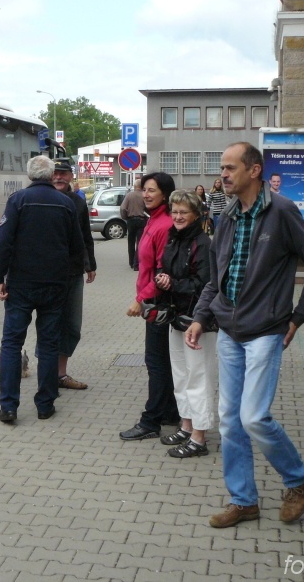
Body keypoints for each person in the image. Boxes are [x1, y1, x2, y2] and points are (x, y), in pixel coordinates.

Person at [185, 142, 304, 528]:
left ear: (254, 170)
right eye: (222, 167)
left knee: (252, 417)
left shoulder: (282, 211)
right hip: (229, 331)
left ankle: (297, 479)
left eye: (230, 167)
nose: (223, 174)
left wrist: (299, 318)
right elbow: (216, 277)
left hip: (266, 330)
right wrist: (200, 317)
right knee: (230, 421)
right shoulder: (228, 216)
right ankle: (244, 501)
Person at [0, 154, 84, 424]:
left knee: (12, 343)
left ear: (30, 175)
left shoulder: (18, 200)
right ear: (51, 174)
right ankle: (45, 404)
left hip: (21, 283)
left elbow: (4, 242)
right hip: (55, 284)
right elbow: (77, 246)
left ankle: (8, 406)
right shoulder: (66, 203)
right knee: (48, 344)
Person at [154, 190, 217, 458]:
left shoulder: (203, 243)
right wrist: (161, 277)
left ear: (195, 215)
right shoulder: (173, 238)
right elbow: (165, 268)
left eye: (183, 212)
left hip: (198, 320)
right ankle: (187, 425)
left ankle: (199, 438)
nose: (178, 217)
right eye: (175, 212)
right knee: (180, 375)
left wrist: (173, 283)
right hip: (177, 316)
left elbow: (205, 284)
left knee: (198, 377)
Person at [120, 171, 179, 441]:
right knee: (162, 360)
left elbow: (162, 272)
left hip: (158, 302)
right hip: (152, 300)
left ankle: (151, 421)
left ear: (165, 194)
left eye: (152, 190)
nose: (146, 194)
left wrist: (140, 299)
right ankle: (170, 411)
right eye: (144, 189)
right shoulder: (152, 220)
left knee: (156, 362)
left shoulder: (164, 225)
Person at [49, 158, 97, 390]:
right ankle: (47, 373)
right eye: (55, 173)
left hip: (73, 271)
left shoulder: (78, 202)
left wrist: (91, 264)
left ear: (71, 176)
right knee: (49, 323)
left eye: (63, 173)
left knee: (71, 324)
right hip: (46, 274)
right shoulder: (42, 197)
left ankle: (60, 374)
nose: (59, 177)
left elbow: (86, 235)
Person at [120, 177, 147, 270]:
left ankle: (131, 262)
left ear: (135, 186)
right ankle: (137, 263)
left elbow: (123, 208)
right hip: (142, 220)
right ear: (141, 186)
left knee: (131, 242)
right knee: (140, 242)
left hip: (131, 220)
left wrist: (125, 217)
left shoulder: (129, 195)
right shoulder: (144, 195)